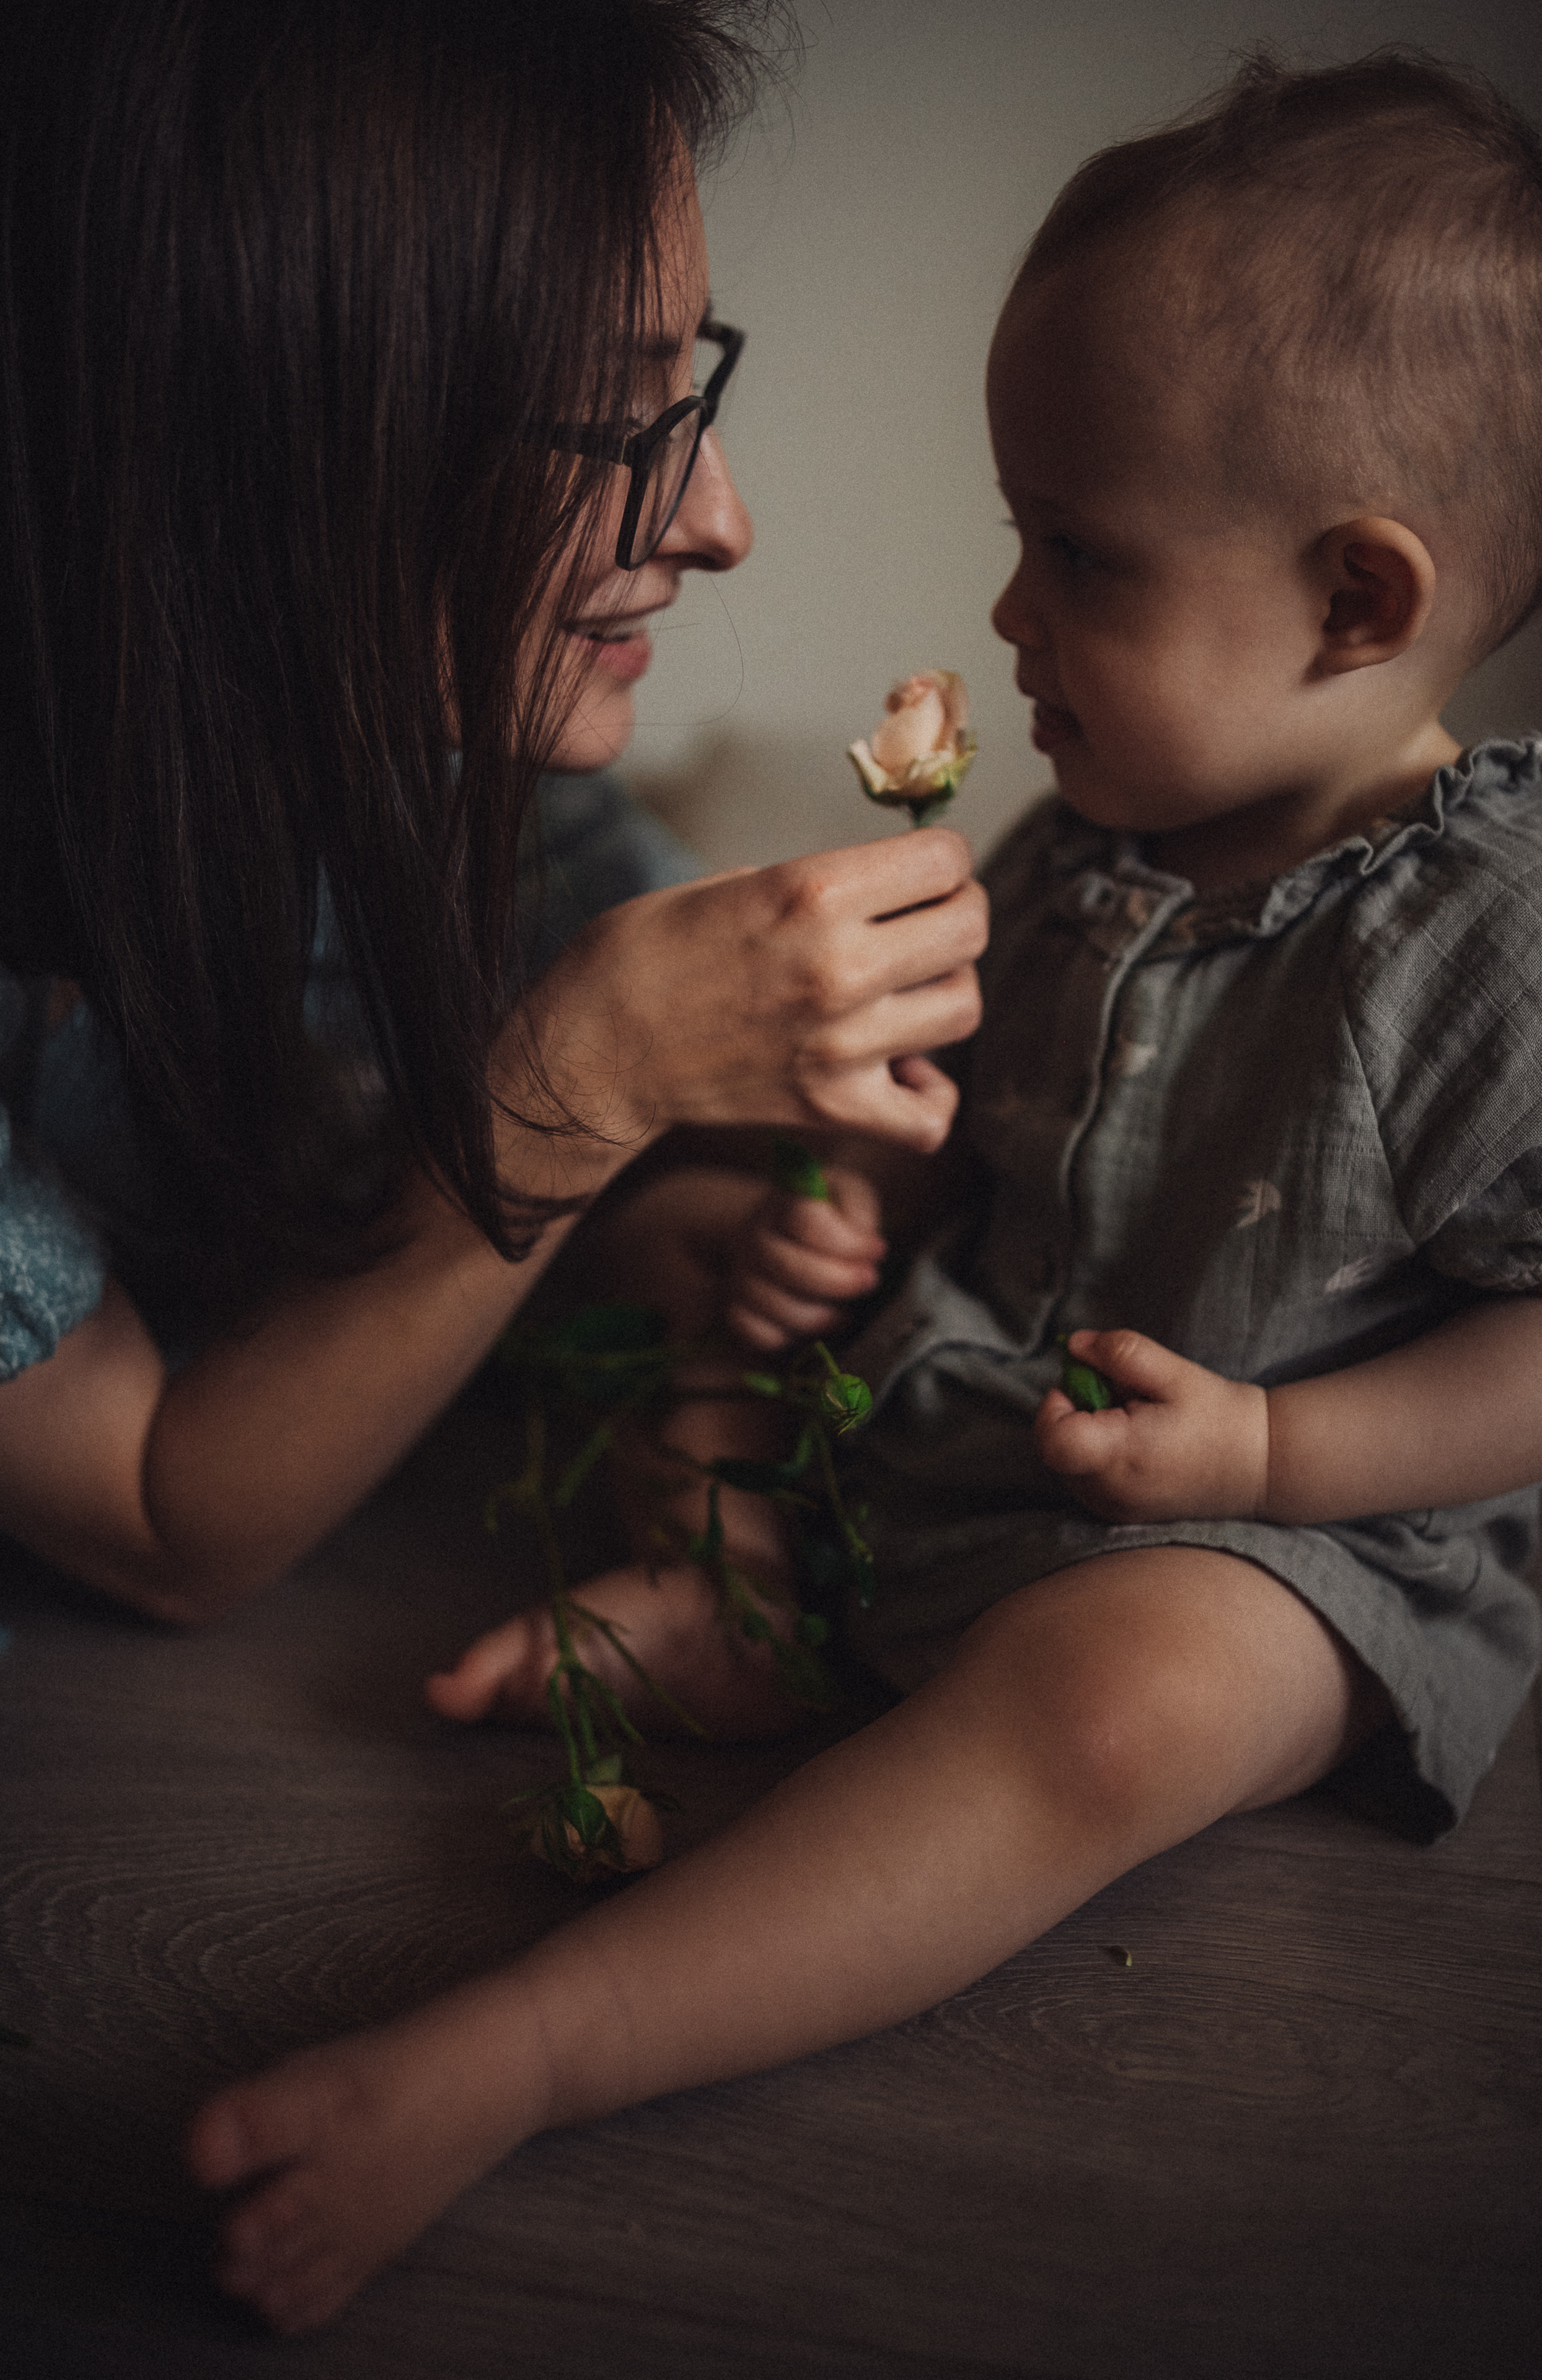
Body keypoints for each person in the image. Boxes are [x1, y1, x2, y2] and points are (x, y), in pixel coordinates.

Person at [190, 51, 1542, 2334]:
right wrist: (841, 1216)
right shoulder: (1085, 845)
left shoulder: (1514, 928)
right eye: (1021, 532)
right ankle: (759, 1624)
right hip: (986, 1408)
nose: (1011, 614)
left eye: (1082, 555)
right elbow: (972, 1135)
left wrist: (1274, 1451)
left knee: (1120, 1700)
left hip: (1303, 1534)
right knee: (711, 1382)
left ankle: (538, 2043)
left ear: (1355, 601)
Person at [0, 0, 985, 1627]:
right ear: (245, 441)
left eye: (694, 380)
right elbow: (163, 1520)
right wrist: (579, 1080)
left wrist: (646, 1236)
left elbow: (663, 1141)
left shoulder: (450, 783)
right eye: (619, 424)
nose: (724, 522)